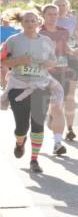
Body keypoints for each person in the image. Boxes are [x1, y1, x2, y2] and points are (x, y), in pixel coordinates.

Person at [1, 9, 63, 173]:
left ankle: (34, 160)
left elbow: (53, 61)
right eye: (26, 21)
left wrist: (48, 63)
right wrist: (19, 60)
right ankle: (20, 142)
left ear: (38, 22)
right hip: (19, 86)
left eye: (32, 20)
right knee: (21, 127)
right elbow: (3, 59)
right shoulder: (13, 40)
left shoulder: (47, 41)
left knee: (37, 123)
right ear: (21, 23)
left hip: (40, 86)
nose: (29, 23)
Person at [38, 4, 71, 156]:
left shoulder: (64, 32)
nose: (53, 17)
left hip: (62, 73)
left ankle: (57, 143)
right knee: (45, 111)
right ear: (43, 15)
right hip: (43, 76)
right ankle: (48, 118)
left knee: (58, 108)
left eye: (55, 14)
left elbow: (66, 49)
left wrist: (74, 52)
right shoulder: (38, 33)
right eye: (50, 14)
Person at [53, 0, 78, 141]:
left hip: (71, 59)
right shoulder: (49, 20)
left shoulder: (73, 20)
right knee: (56, 93)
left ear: (68, 6)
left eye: (64, 4)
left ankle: (70, 128)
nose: (61, 7)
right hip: (54, 59)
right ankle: (53, 116)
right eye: (58, 5)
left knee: (70, 94)